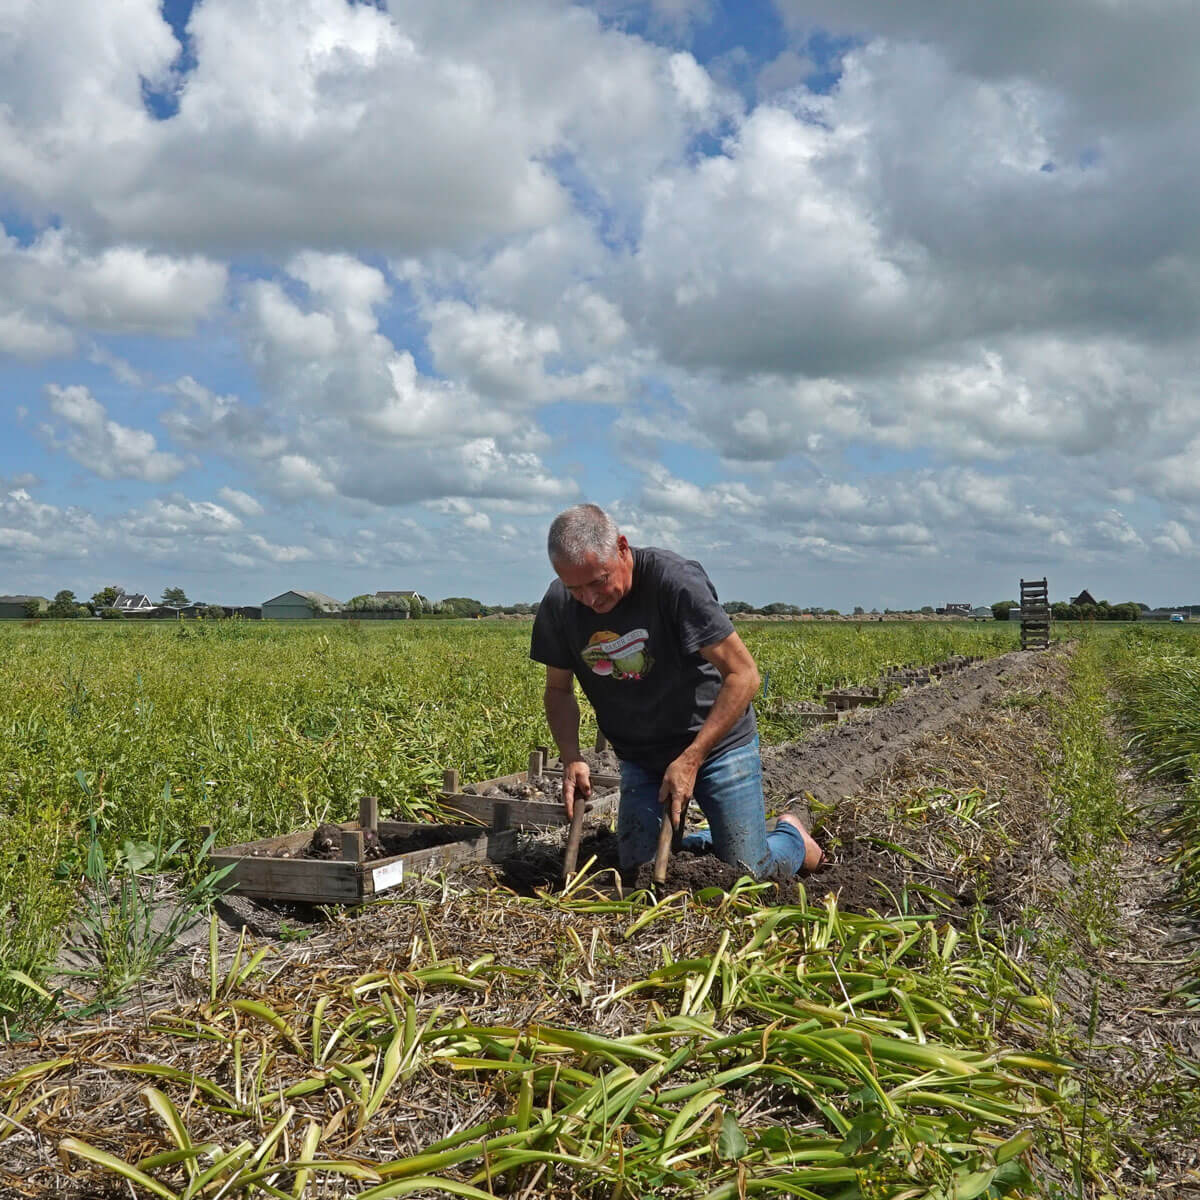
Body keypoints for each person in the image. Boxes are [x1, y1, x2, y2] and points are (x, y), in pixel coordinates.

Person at [530, 503, 822, 879]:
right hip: (641, 756)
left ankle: (791, 836)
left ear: (622, 547)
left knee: (749, 870)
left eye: (599, 581)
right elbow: (558, 690)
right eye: (575, 588)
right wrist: (572, 758)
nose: (590, 599)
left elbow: (744, 674)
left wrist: (691, 759)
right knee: (638, 868)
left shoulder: (674, 583)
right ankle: (714, 841)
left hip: (717, 746)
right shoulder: (559, 604)